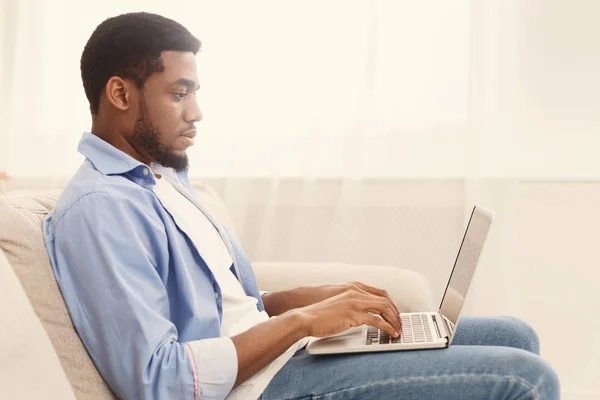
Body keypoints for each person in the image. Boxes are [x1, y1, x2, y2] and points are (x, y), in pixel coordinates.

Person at [43, 12, 560, 400]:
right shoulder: (99, 210)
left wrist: (297, 299)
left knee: (516, 335)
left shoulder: (163, 180)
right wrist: (306, 321)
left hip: (279, 356)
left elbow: (219, 308)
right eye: (180, 93)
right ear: (119, 93)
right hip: (259, 386)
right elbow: (159, 379)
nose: (197, 112)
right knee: (526, 380)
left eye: (195, 92)